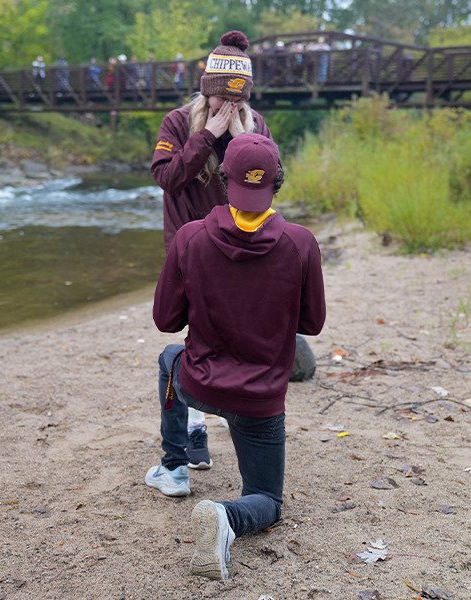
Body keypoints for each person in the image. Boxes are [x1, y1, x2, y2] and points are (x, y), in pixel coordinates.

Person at [145, 132, 326, 581]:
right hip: (260, 399)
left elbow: (167, 320)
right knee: (266, 500)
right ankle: (227, 516)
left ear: (223, 179)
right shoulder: (301, 243)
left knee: (172, 356)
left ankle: (176, 463)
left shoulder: (189, 238)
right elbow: (312, 324)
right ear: (277, 182)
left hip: (201, 383)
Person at [151, 30, 317, 470]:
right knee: (195, 336)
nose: (231, 108)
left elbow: (272, 181)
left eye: (238, 101)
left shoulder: (256, 123)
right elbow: (166, 179)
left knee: (230, 335)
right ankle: (194, 435)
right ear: (206, 90)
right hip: (191, 247)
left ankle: (227, 422)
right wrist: (207, 136)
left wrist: (245, 137)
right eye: (222, 100)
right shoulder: (178, 121)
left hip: (248, 245)